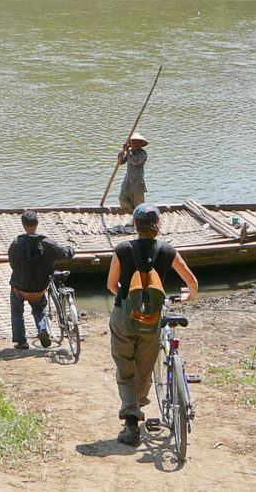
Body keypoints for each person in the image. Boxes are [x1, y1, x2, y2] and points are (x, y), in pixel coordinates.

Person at [106, 203, 198, 446]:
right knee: (145, 367)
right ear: (158, 225)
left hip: (123, 316)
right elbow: (192, 281)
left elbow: (111, 284)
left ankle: (131, 421)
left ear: (135, 225)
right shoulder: (167, 250)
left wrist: (126, 300)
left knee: (125, 366)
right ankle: (139, 401)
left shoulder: (122, 249)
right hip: (153, 318)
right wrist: (189, 294)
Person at [8, 210, 76, 350]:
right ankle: (42, 329)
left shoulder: (16, 244)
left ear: (23, 225)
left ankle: (21, 342)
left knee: (17, 311)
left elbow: (12, 263)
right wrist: (71, 249)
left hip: (19, 286)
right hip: (39, 288)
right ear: (37, 223)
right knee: (39, 309)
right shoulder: (47, 244)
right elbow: (65, 253)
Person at [117, 133, 148, 211]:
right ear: (131, 144)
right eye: (134, 143)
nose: (136, 145)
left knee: (138, 203)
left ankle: (139, 217)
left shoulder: (143, 153)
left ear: (141, 144)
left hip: (137, 182)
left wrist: (128, 152)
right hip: (128, 181)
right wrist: (120, 156)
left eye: (138, 143)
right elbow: (121, 162)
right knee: (122, 198)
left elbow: (136, 161)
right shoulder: (130, 151)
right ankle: (133, 212)